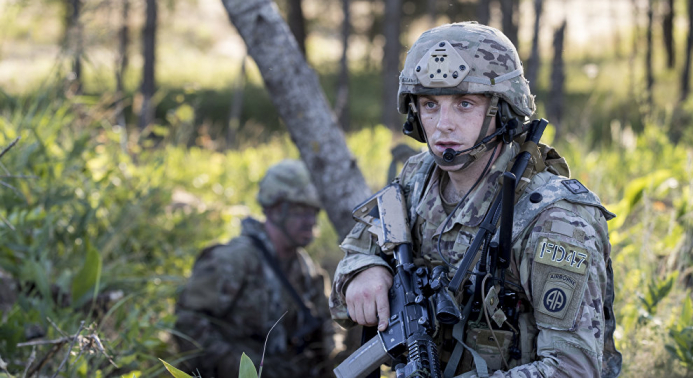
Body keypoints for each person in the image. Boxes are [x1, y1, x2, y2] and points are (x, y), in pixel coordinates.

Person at [329, 22, 622, 378]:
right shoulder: (417, 178)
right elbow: (355, 258)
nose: (442, 125)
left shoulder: (555, 219)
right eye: (430, 105)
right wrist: (364, 270)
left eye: (464, 104)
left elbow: (574, 369)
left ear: (500, 110)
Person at [176, 159, 335, 378]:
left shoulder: (307, 271)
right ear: (275, 210)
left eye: (314, 212)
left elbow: (328, 333)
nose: (310, 222)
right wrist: (233, 366)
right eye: (300, 211)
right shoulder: (233, 261)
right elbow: (187, 323)